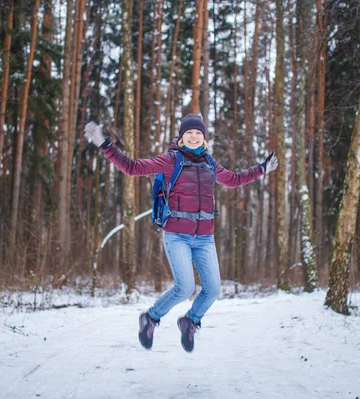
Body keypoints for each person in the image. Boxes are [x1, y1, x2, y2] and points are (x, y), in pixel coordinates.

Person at [84, 114, 278, 352]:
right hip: (177, 235)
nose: (194, 137)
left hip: (205, 238)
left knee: (213, 290)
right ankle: (151, 318)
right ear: (182, 136)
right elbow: (133, 168)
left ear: (203, 138)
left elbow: (234, 179)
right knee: (185, 287)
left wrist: (261, 169)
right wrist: (105, 145)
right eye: (189, 133)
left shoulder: (209, 163)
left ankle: (190, 321)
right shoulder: (170, 159)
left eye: (198, 133)